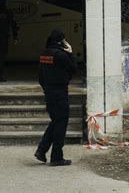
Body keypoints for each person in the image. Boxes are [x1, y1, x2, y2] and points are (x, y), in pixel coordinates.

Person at [34, 29, 77, 166]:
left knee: (56, 121)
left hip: (49, 92)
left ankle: (41, 150)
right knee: (61, 124)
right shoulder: (61, 55)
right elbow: (74, 69)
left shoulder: (44, 54)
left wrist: (46, 89)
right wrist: (70, 53)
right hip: (60, 92)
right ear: (61, 41)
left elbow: (40, 75)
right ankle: (56, 157)